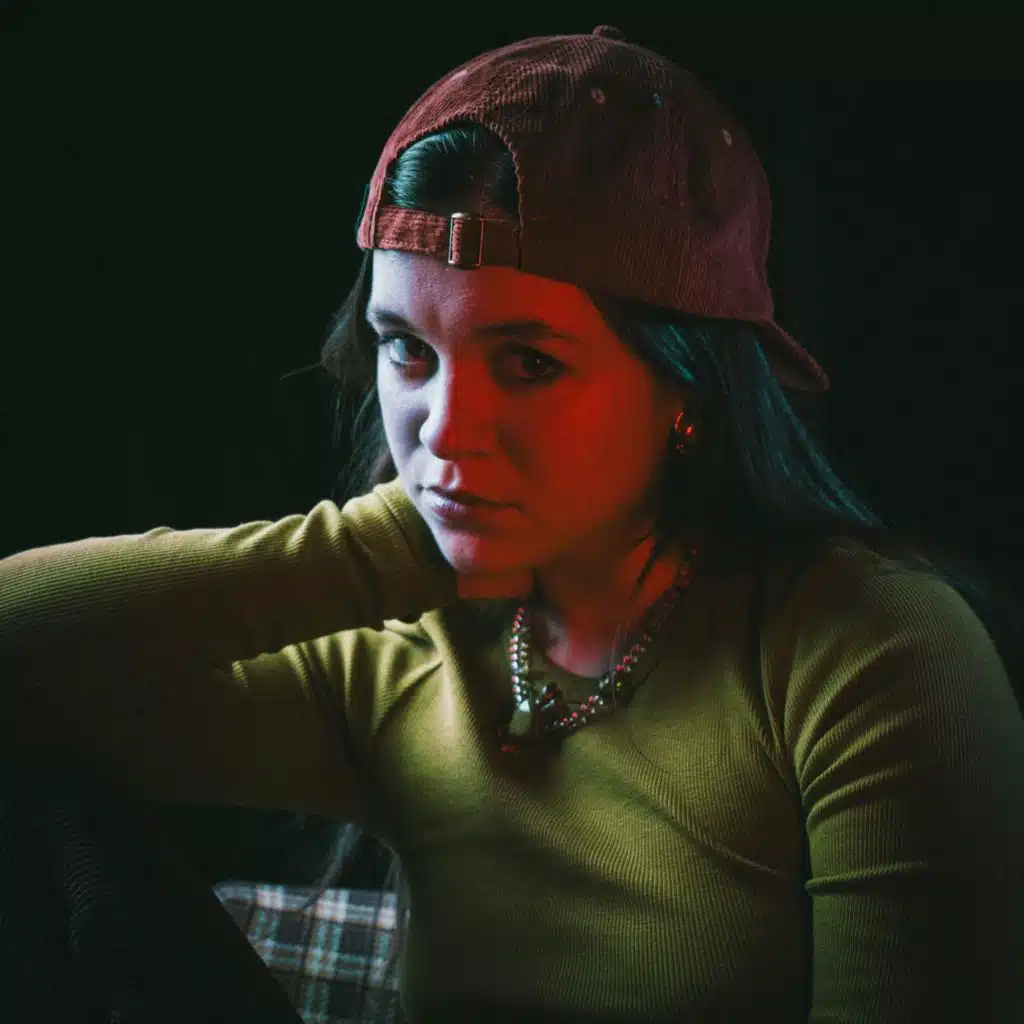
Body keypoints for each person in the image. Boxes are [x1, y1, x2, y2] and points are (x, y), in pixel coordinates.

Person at [2, 24, 1022, 1024]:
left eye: (529, 363)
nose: (443, 430)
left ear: (687, 391)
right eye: (407, 350)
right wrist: (374, 547)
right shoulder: (405, 651)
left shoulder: (866, 651)